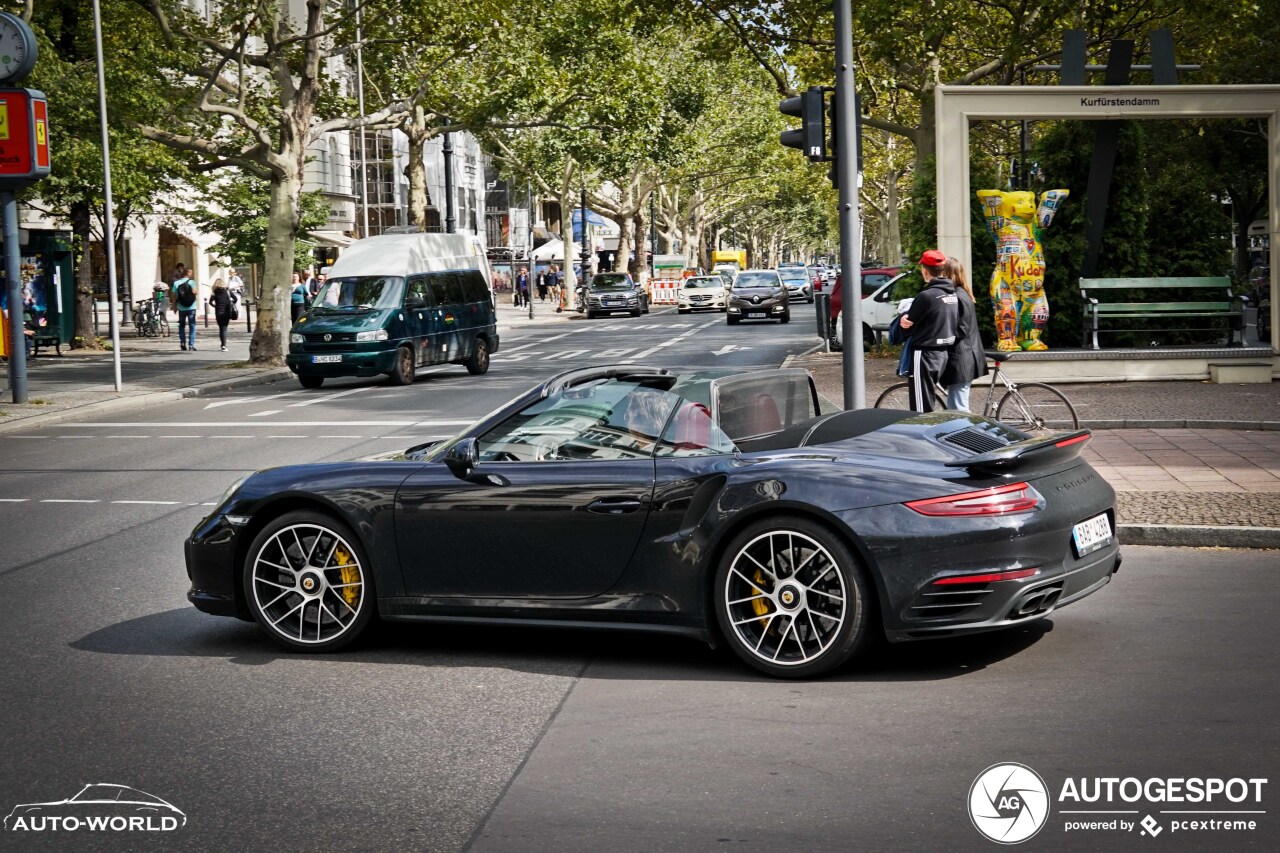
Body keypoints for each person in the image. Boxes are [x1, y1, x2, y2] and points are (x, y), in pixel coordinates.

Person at [897, 249, 958, 413]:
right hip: (943, 353)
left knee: (920, 408)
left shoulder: (926, 296)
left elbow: (909, 325)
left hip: (923, 353)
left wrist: (903, 321)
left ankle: (922, 437)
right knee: (928, 402)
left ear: (925, 270)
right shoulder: (952, 295)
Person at [940, 257, 988, 412]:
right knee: (954, 407)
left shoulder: (959, 297)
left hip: (962, 359)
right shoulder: (963, 293)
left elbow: (961, 329)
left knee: (959, 408)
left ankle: (971, 435)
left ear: (947, 273)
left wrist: (941, 340)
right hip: (964, 357)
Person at [171, 268, 199, 350]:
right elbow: (194, 292)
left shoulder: (176, 283)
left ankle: (182, 343)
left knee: (181, 326)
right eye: (191, 273)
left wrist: (174, 306)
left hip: (181, 307)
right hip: (191, 307)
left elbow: (174, 295)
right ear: (188, 273)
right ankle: (191, 345)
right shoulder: (192, 282)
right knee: (192, 326)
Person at [209, 278, 234, 352]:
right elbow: (235, 299)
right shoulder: (227, 291)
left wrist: (215, 306)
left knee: (221, 328)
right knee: (224, 328)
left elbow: (210, 302)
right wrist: (230, 302)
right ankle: (224, 345)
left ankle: (223, 344)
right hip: (226, 311)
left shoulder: (214, 292)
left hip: (218, 312)